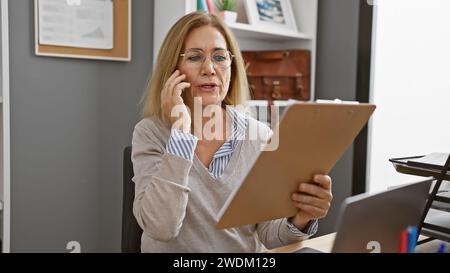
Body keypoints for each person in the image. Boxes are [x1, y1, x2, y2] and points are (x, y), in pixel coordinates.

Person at [131, 11, 333, 253]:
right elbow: (162, 228)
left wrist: (300, 217)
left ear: (232, 66)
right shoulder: (150, 134)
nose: (209, 68)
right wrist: (181, 134)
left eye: (219, 57)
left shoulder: (258, 135)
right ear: (173, 70)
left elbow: (269, 234)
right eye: (195, 57)